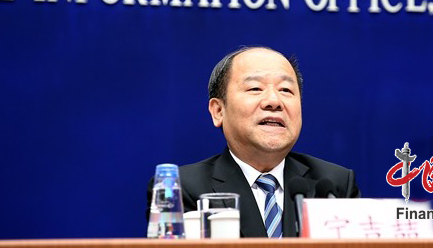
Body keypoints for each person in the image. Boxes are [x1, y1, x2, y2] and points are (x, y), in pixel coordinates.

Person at [147, 46, 360, 237]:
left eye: (286, 90)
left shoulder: (334, 186)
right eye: (255, 88)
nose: (274, 101)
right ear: (218, 111)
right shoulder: (181, 189)